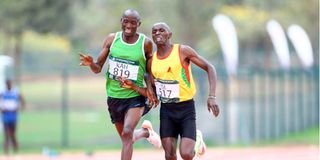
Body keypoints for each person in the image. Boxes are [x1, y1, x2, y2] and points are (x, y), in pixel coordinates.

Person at [119, 22, 220, 160]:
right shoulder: (151, 61)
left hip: (186, 109)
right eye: (154, 31)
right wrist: (138, 86)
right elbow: (149, 80)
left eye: (162, 30)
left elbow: (209, 67)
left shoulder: (182, 51)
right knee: (169, 155)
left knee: (186, 154)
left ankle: (197, 141)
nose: (157, 33)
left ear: (169, 35)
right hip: (167, 110)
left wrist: (212, 96)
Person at [79, 9, 160, 160]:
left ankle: (143, 132)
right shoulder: (112, 39)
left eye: (133, 23)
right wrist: (91, 64)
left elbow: (149, 71)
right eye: (126, 21)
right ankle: (145, 133)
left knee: (127, 132)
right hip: (114, 96)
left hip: (134, 96)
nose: (129, 25)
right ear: (121, 21)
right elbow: (98, 68)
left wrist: (149, 89)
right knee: (126, 137)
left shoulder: (145, 43)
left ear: (139, 24)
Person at [0, 79, 25, 155]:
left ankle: (15, 150)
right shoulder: (3, 92)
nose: (8, 85)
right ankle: (6, 152)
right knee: (6, 134)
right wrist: (1, 108)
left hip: (13, 115)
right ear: (6, 84)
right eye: (7, 84)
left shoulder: (15, 92)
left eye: (9, 84)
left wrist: (20, 107)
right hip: (5, 115)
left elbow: (22, 99)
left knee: (13, 134)